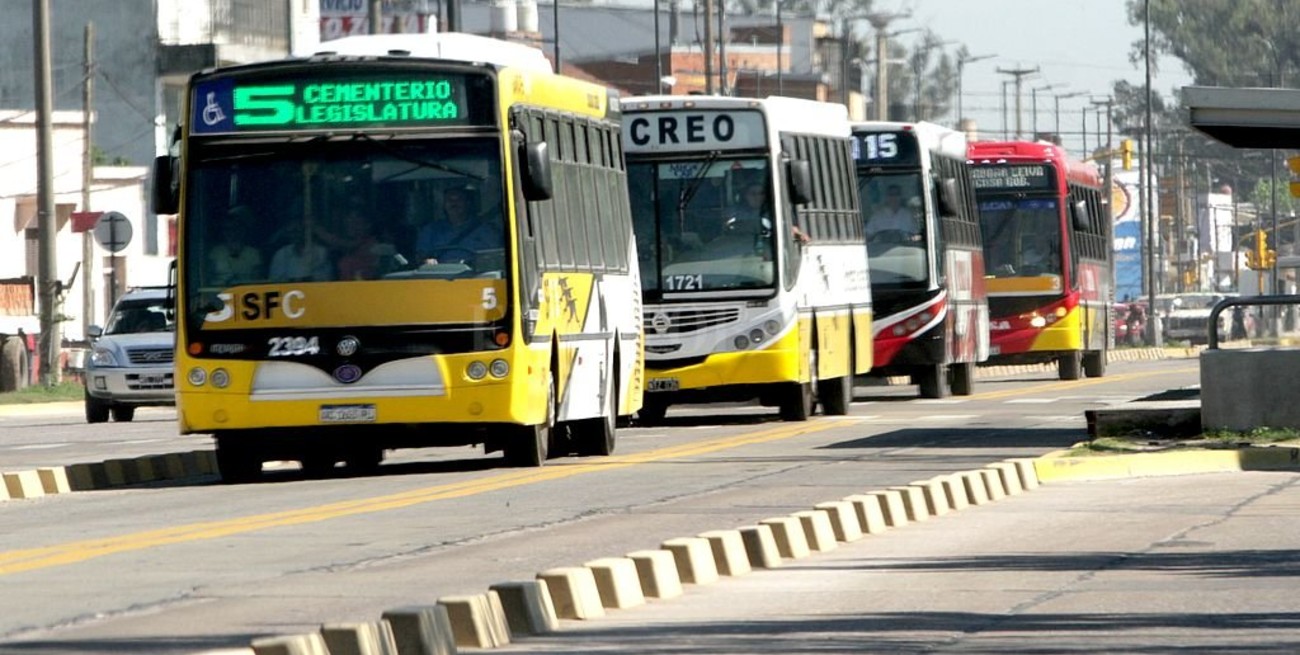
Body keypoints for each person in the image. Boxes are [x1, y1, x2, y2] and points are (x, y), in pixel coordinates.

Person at [415, 187, 500, 263]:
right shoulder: (430, 230)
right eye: (449, 200)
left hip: (476, 277)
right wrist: (426, 261)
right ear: (444, 205)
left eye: (459, 200)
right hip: (439, 276)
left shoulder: (486, 230)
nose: (454, 204)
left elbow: (495, 258)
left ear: (468, 203)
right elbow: (420, 256)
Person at [207, 206, 262, 286]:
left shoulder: (253, 254)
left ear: (242, 230)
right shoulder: (215, 252)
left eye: (235, 228)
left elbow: (257, 281)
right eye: (227, 229)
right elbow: (208, 278)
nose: (231, 233)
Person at [336, 210, 396, 280]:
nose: (350, 226)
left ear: (367, 225)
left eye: (355, 223)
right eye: (348, 223)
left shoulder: (376, 248)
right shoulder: (352, 247)